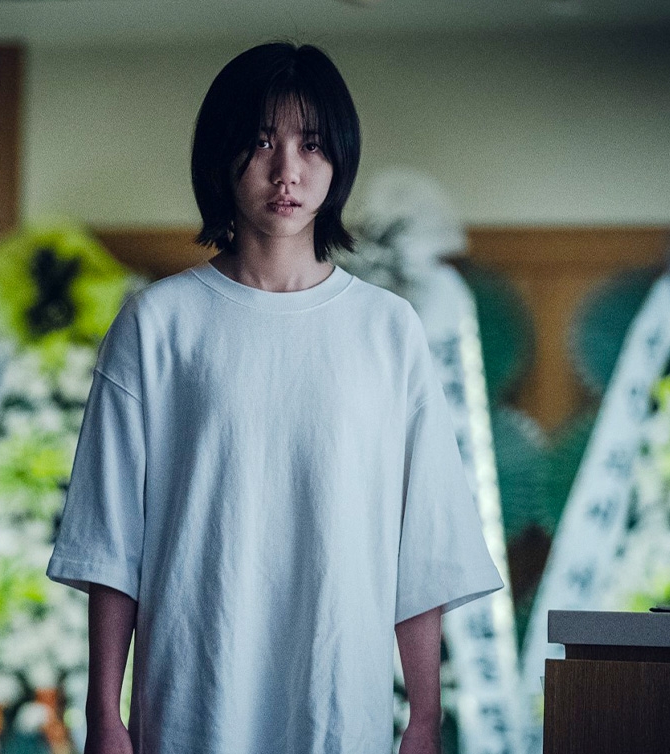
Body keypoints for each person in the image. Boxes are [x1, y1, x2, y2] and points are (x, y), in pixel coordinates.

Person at [46, 41, 503, 754]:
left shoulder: (388, 329)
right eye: (261, 141)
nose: (287, 170)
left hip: (339, 698)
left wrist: (423, 718)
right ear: (220, 156)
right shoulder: (158, 323)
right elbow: (111, 537)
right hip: (192, 694)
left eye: (311, 145)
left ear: (339, 160)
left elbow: (426, 541)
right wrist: (103, 714)